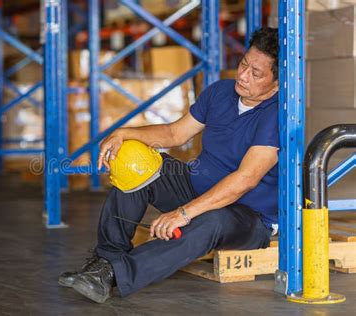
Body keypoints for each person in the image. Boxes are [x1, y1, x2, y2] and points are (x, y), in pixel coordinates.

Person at [59, 27, 280, 303]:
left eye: (256, 74)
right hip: (196, 188)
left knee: (212, 220)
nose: (243, 75)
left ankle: (116, 274)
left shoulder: (276, 115)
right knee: (136, 163)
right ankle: (105, 260)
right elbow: (176, 134)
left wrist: (184, 213)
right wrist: (126, 134)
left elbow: (245, 179)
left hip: (246, 217)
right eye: (243, 64)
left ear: (277, 83)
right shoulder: (220, 92)